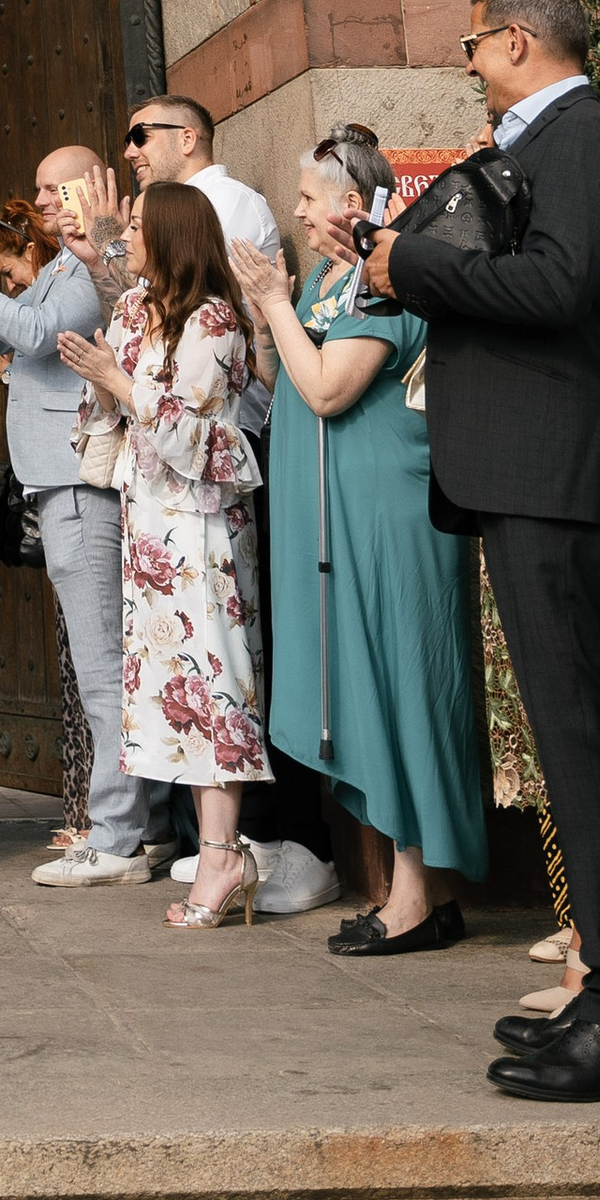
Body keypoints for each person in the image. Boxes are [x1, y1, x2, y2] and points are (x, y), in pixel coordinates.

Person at [362, 0, 600, 1102]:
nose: (462, 61)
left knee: (582, 743)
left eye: (469, 43)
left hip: (559, 478)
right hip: (520, 474)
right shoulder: (532, 142)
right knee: (563, 741)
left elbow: (552, 287)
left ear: (512, 41)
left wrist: (416, 264)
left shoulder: (585, 139)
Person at [230, 128, 486, 953]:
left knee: (398, 687)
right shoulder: (335, 278)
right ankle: (410, 888)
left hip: (384, 513)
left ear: (351, 203)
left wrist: (273, 301)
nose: (298, 213)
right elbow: (289, 388)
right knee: (364, 685)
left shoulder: (384, 279)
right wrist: (272, 320)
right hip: (334, 515)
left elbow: (331, 391)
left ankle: (418, 893)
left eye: (307, 198)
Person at [0, 146, 172, 888]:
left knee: (101, 664)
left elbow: (32, 338)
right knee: (102, 659)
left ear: (96, 190)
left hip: (79, 479)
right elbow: (6, 339)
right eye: (38, 187)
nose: (45, 199)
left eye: (59, 188)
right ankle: (139, 826)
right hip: (55, 474)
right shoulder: (59, 266)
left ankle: (119, 837)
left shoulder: (94, 268)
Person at [57, 178, 270, 927]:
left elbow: (192, 431)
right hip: (148, 520)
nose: (126, 237)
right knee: (170, 680)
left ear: (174, 235)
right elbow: (117, 412)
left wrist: (116, 378)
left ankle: (223, 852)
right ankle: (210, 845)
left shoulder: (214, 317)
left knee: (215, 677)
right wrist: (101, 381)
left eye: (139, 226)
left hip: (201, 522)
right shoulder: (130, 309)